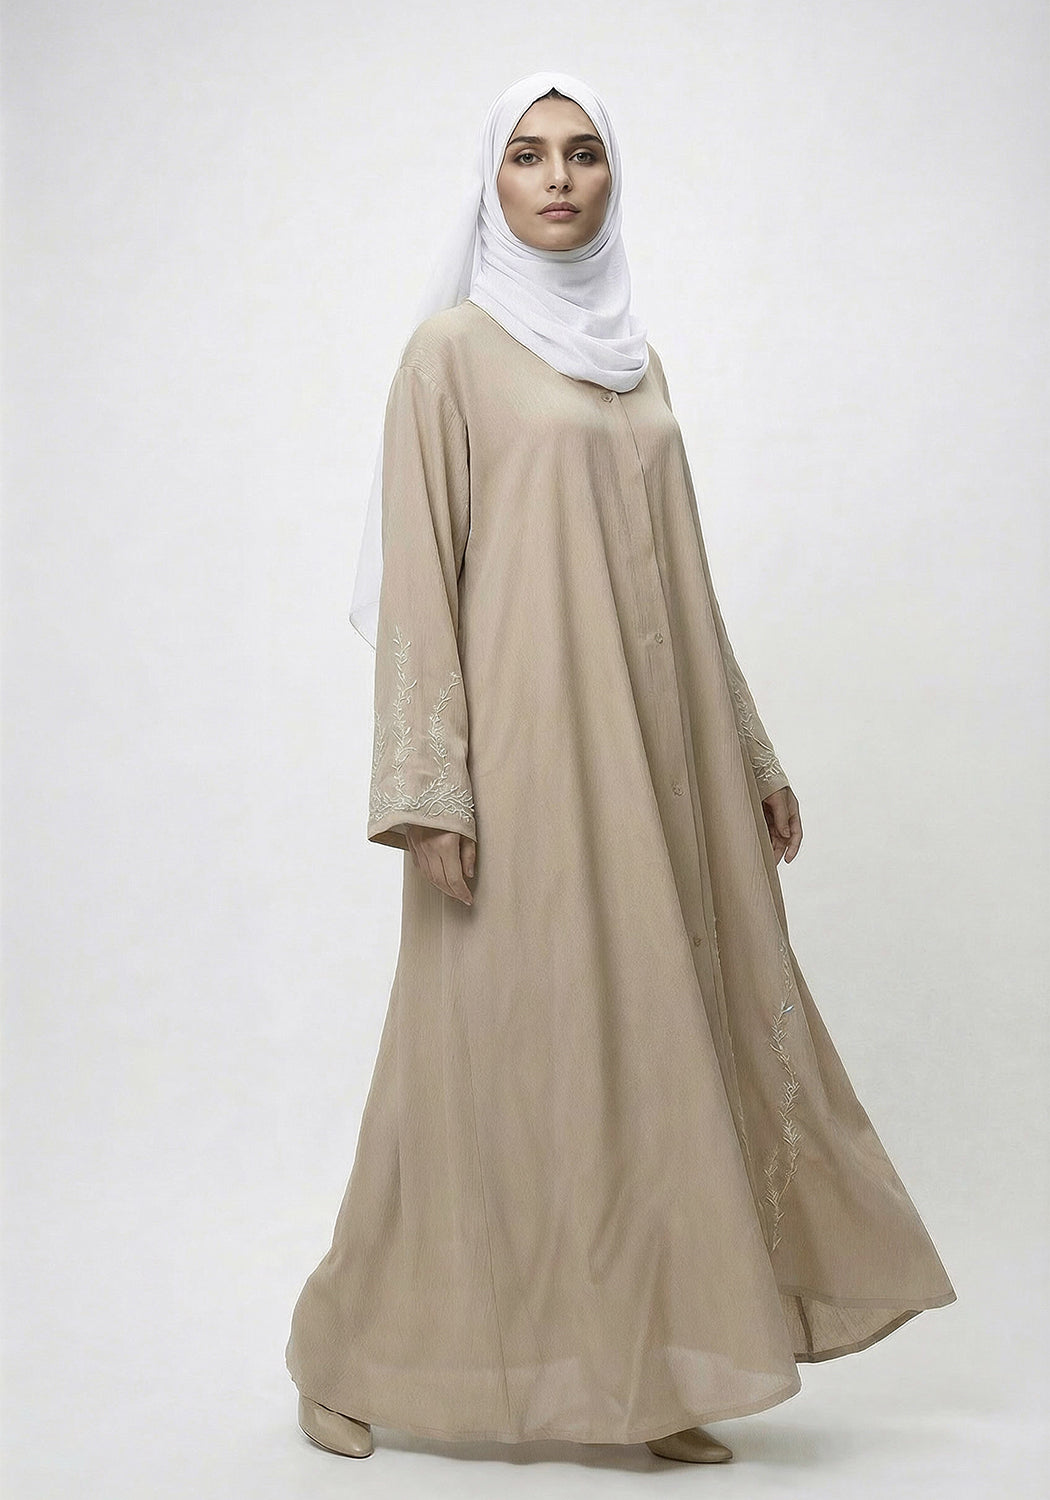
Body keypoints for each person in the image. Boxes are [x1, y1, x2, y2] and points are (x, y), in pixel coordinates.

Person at [284, 71, 957, 1465]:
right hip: (524, 754)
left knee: (650, 1053)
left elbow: (683, 581)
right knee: (482, 1057)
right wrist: (426, 787)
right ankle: (346, 1353)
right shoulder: (451, 355)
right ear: (490, 181)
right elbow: (419, 578)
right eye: (528, 154)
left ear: (610, 177)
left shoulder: (633, 362)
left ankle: (642, 1373)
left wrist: (748, 753)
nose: (557, 177)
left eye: (583, 153)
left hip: (657, 752)